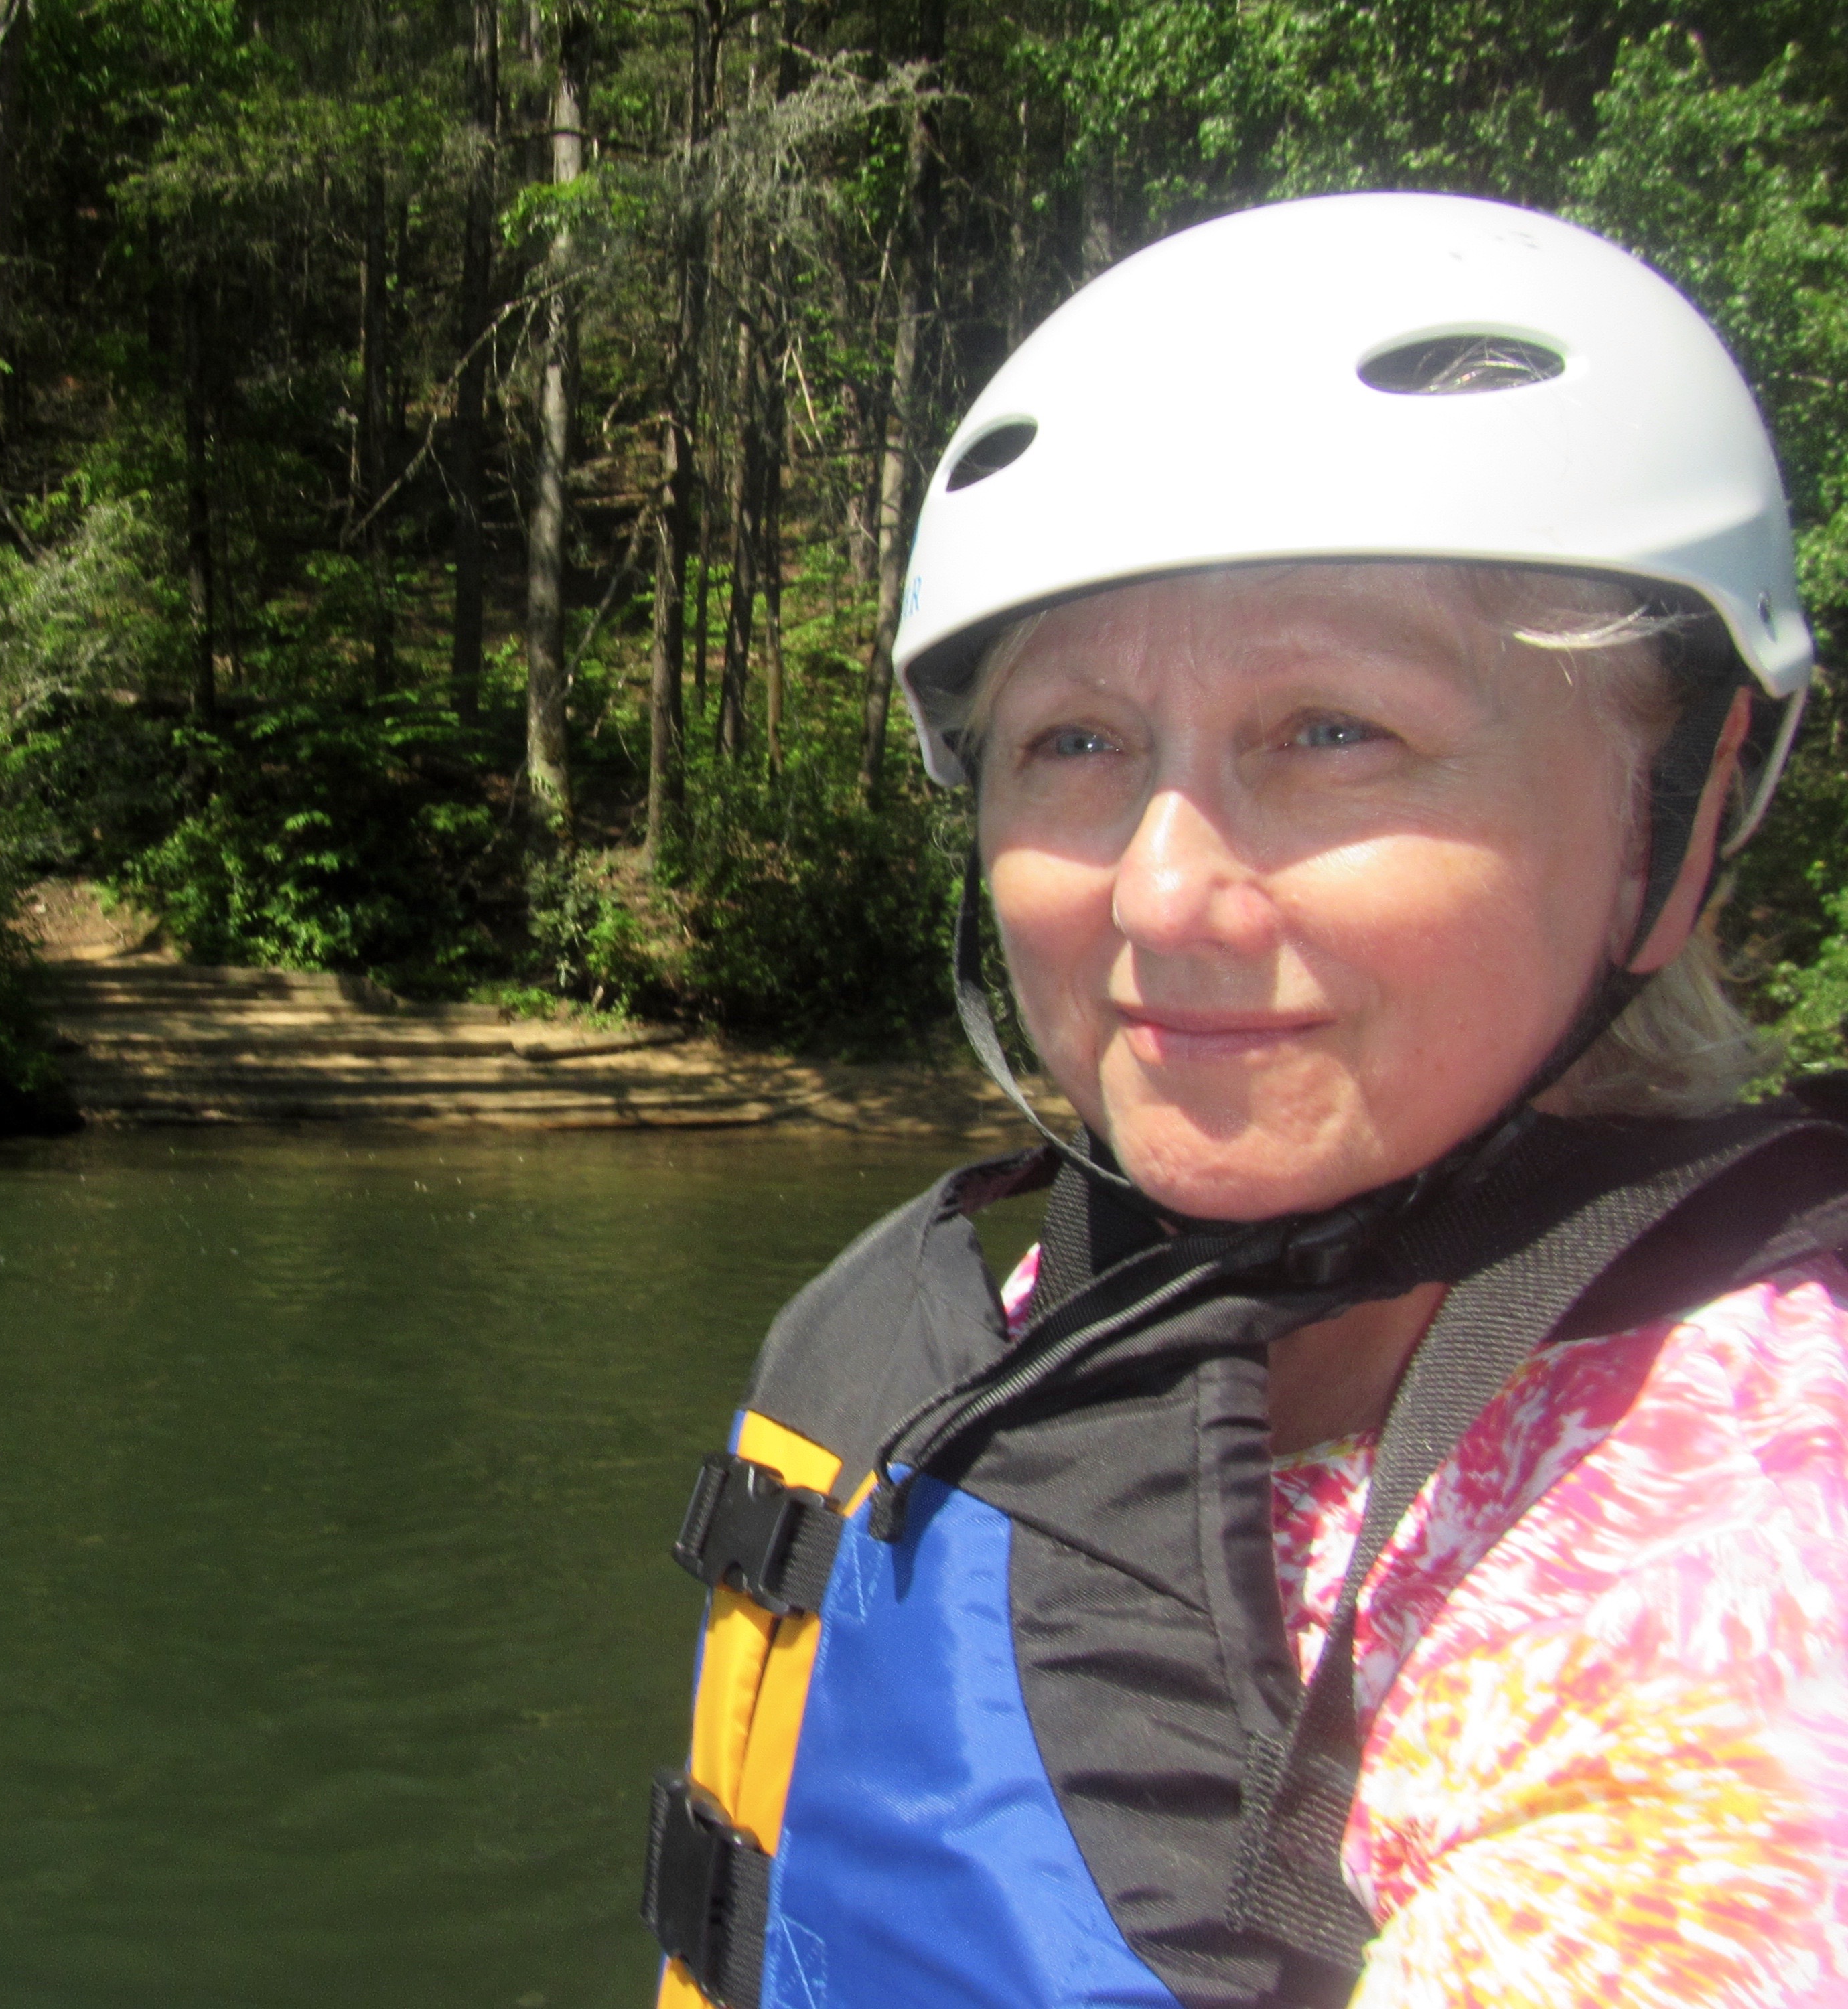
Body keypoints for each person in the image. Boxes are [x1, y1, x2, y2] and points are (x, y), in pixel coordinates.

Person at [638, 192, 1848, 2009]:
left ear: (1686, 799)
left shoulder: (1741, 1589)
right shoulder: (1052, 1318)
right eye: (1077, 744)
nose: (1158, 896)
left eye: (1334, 731)